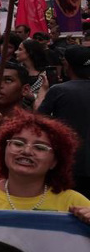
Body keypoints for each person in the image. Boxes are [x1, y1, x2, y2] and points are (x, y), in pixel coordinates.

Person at [39, 46, 90, 198]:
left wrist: (42, 91)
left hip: (69, 165)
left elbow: (38, 121)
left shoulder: (58, 91)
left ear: (67, 64)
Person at [17, 38, 50, 108]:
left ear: (29, 52)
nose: (16, 52)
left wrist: (32, 96)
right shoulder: (16, 72)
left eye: (20, 50)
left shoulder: (45, 74)